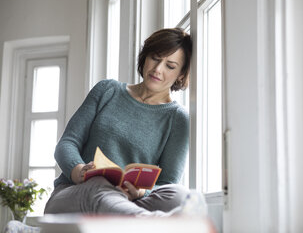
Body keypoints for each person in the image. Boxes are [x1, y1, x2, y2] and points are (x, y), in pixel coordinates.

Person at [44, 28, 193, 216]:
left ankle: (133, 219)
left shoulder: (178, 119)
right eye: (155, 58)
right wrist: (81, 172)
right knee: (99, 185)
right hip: (75, 195)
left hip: (131, 201)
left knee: (179, 195)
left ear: (180, 74)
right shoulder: (107, 90)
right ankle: (148, 222)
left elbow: (167, 182)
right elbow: (66, 144)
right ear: (145, 57)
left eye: (170, 66)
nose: (157, 69)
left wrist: (140, 191)